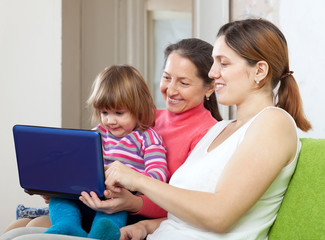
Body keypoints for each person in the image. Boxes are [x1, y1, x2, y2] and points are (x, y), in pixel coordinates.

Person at [103, 18, 312, 240]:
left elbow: (218, 216)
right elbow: (188, 217)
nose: (212, 73)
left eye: (223, 63)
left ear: (259, 71)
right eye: (214, 62)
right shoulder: (218, 129)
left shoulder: (273, 123)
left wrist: (139, 179)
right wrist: (147, 226)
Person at [1, 38, 222, 238]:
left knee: (28, 231)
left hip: (137, 216)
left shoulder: (208, 135)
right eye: (166, 78)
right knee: (17, 228)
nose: (171, 90)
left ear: (210, 87)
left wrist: (133, 203)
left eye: (183, 83)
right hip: (97, 201)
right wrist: (62, 185)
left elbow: (187, 206)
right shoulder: (146, 116)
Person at [45, 64, 170, 240]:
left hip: (119, 201)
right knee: (59, 200)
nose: (110, 121)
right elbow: (77, 167)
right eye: (104, 112)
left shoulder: (148, 138)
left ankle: (104, 231)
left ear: (138, 108)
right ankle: (67, 227)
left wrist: (127, 181)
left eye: (119, 113)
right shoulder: (96, 134)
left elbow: (158, 176)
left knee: (114, 210)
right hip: (87, 198)